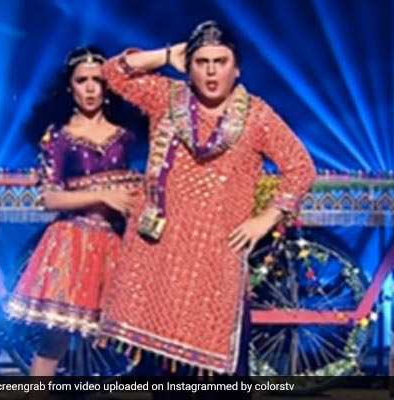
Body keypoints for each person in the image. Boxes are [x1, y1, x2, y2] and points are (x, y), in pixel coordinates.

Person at [98, 20, 317, 383]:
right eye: (202, 62)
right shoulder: (167, 98)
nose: (211, 71)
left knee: (220, 377)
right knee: (166, 374)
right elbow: (112, 73)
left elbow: (300, 168)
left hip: (216, 256)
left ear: (237, 68)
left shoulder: (257, 116)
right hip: (162, 255)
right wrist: (167, 55)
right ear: (189, 66)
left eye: (220, 61)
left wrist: (265, 219)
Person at [4, 46, 143, 378]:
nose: (91, 89)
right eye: (82, 81)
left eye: (98, 81)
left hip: (116, 244)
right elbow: (49, 199)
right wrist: (103, 195)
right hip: (73, 243)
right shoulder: (58, 137)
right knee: (54, 341)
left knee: (135, 338)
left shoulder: (125, 136)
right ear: (70, 86)